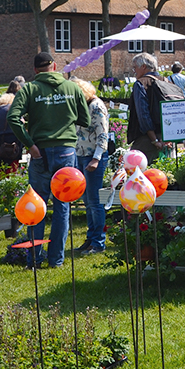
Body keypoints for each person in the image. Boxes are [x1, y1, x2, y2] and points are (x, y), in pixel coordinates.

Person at [7, 52, 90, 269]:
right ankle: (57, 260)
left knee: (37, 206)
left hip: (39, 151)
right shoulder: (72, 88)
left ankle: (34, 259)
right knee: (62, 206)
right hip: (65, 151)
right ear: (54, 66)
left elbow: (12, 117)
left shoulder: (29, 89)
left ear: (35, 70)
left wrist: (30, 144)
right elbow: (85, 119)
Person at [70, 77, 110, 254]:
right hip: (81, 155)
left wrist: (96, 158)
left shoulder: (96, 106)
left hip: (93, 157)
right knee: (87, 201)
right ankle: (91, 237)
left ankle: (98, 242)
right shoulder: (83, 106)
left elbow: (103, 134)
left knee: (95, 201)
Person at [127, 53, 171, 161]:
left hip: (146, 139)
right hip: (166, 138)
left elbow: (143, 114)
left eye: (135, 67)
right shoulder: (166, 81)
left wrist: (154, 140)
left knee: (138, 173)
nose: (134, 71)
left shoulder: (140, 84)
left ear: (143, 67)